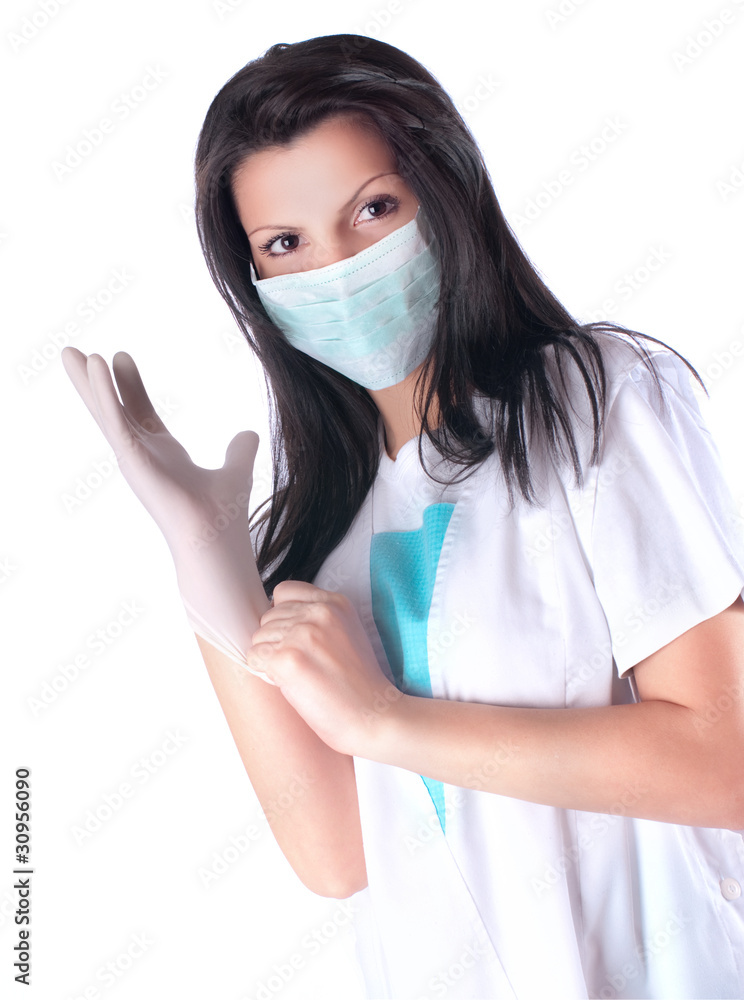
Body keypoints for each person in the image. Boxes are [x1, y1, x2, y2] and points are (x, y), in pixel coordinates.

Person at [61, 33, 744, 1000]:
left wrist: (385, 720)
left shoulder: (595, 400)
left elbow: (725, 760)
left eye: (373, 209)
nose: (337, 268)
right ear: (254, 280)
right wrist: (207, 560)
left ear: (445, 193)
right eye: (285, 244)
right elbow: (338, 855)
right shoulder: (314, 533)